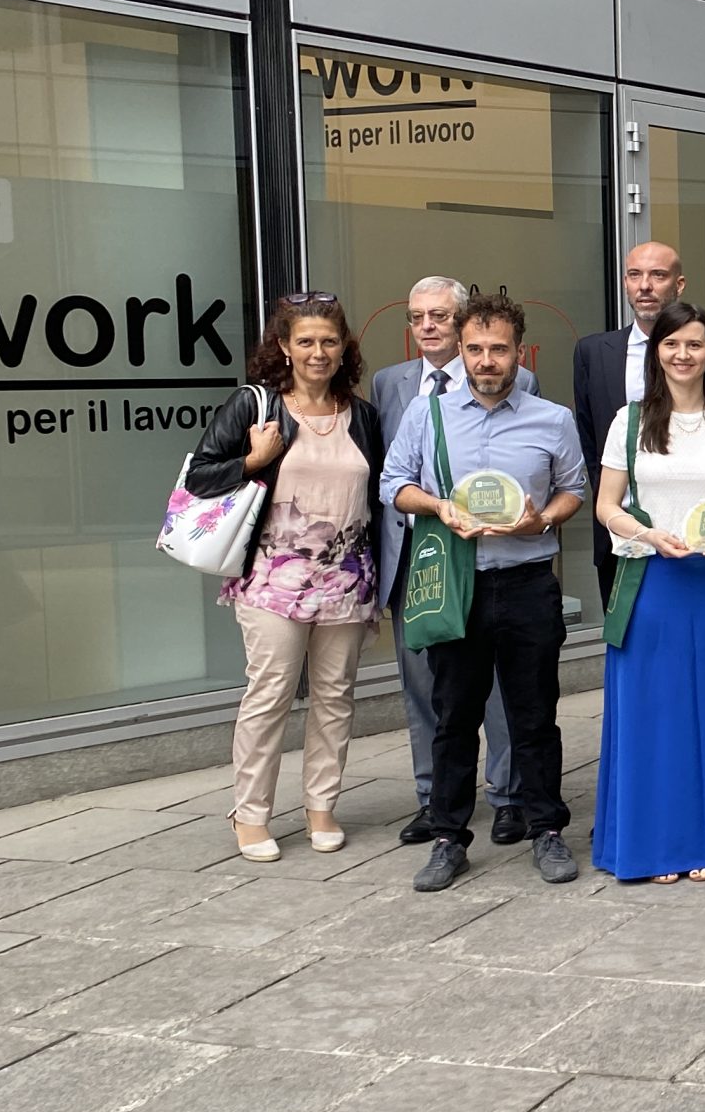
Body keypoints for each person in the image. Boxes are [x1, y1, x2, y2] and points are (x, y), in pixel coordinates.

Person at [383, 291, 587, 892]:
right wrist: (439, 508)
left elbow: (574, 490)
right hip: (458, 581)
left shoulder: (552, 418)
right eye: (475, 348)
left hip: (527, 583)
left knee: (535, 715)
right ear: (461, 349)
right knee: (454, 717)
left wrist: (542, 520)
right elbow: (394, 484)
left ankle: (546, 829)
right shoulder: (427, 415)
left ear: (520, 351)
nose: (486, 360)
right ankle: (448, 838)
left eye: (498, 348)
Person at [185, 293, 387, 864]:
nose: (318, 352)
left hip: (346, 578)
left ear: (344, 348)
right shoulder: (257, 408)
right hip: (272, 579)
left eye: (329, 341)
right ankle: (250, 813)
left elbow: (376, 498)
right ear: (284, 347)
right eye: (306, 341)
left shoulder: (362, 416)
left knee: (335, 697)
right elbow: (199, 477)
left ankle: (322, 807)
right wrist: (253, 460)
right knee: (270, 695)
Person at [589, 301, 705, 885]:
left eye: (695, 344)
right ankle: (655, 845)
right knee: (656, 716)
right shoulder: (629, 421)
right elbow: (605, 506)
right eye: (671, 344)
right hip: (652, 581)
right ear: (657, 351)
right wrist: (648, 534)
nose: (682, 354)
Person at [371, 275, 539, 848]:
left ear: (463, 322)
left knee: (498, 689)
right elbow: (391, 475)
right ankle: (433, 797)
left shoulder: (515, 379)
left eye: (439, 316)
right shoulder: (390, 384)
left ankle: (509, 795)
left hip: (497, 556)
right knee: (425, 688)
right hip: (422, 558)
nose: (427, 326)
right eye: (417, 316)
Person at [575, 240, 705, 610]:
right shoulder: (592, 353)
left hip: (700, 542)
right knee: (631, 636)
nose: (644, 285)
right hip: (621, 535)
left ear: (679, 284)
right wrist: (618, 512)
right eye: (635, 275)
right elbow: (590, 440)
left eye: (657, 275)